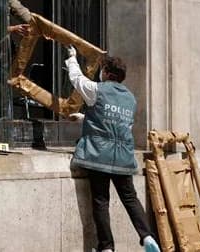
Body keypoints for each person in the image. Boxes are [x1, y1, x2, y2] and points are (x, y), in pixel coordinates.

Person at [65, 46, 161, 252]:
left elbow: (77, 80)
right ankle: (147, 236)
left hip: (99, 155)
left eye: (103, 71)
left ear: (107, 73)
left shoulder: (98, 89)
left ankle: (106, 247)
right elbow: (117, 124)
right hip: (123, 157)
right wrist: (85, 118)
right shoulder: (131, 99)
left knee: (101, 200)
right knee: (130, 198)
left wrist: (72, 58)